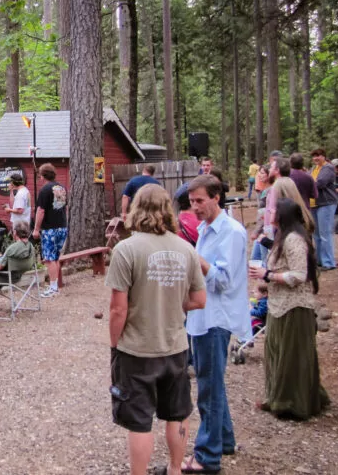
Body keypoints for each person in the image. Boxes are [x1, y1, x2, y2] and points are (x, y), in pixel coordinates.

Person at [105, 184, 207, 475]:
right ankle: (175, 469)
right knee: (177, 413)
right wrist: (171, 302)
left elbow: (117, 309)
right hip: (175, 346)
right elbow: (200, 300)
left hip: (136, 349)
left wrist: (115, 344)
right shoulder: (186, 249)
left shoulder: (126, 250)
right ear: (167, 210)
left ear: (136, 208)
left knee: (139, 421)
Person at [182, 175, 250, 474]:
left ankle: (207, 456)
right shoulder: (205, 228)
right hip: (202, 314)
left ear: (216, 198)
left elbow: (223, 280)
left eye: (199, 201)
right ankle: (223, 439)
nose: (195, 207)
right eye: (191, 202)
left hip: (216, 318)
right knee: (213, 382)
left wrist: (194, 257)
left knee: (208, 387)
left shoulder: (232, 232)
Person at [249, 198, 330, 420]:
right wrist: (266, 280)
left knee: (292, 356)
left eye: (273, 209)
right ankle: (275, 397)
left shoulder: (294, 239)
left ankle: (293, 404)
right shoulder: (281, 237)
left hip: (294, 306)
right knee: (275, 352)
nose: (269, 212)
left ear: (283, 215)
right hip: (277, 305)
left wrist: (267, 275)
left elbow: (299, 275)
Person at [32, 163, 68, 298]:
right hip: (62, 226)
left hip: (50, 228)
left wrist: (36, 229)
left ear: (42, 175)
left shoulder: (45, 190)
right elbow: (65, 207)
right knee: (56, 257)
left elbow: (41, 210)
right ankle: (55, 285)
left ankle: (53, 288)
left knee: (49, 258)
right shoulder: (62, 188)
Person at [310, 148, 338, 270]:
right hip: (314, 204)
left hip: (326, 203)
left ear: (324, 156)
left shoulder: (328, 168)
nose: (316, 158)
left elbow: (320, 183)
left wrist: (308, 183)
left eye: (319, 156)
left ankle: (329, 262)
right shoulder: (314, 169)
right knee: (316, 234)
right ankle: (320, 260)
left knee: (325, 233)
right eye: (314, 156)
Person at [0, 220, 36, 285]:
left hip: (6, 278)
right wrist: (2, 257)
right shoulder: (30, 246)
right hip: (19, 275)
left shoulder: (13, 248)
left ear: (15, 232)